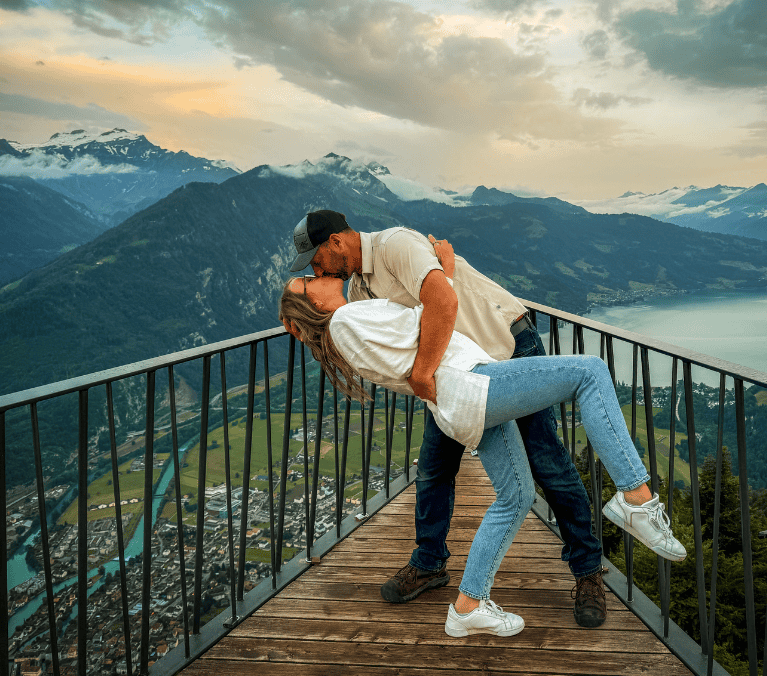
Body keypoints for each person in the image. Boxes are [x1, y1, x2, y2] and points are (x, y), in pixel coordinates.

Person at [279, 274, 686, 638]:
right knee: (591, 371)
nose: (314, 277)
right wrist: (441, 275)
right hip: (473, 383)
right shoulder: (348, 320)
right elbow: (427, 318)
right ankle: (637, 499)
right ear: (312, 304)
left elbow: (410, 340)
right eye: (306, 284)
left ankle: (467, 608)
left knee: (516, 497)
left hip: (459, 403)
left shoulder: (346, 331)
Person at [286, 209, 611, 628]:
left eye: (316, 261)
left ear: (335, 242)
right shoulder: (361, 292)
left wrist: (423, 371)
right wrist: (301, 314)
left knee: (548, 463)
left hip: (505, 344)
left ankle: (587, 575)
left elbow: (442, 302)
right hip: (459, 373)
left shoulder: (395, 245)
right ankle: (429, 563)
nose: (318, 269)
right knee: (435, 468)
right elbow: (411, 337)